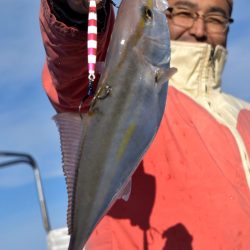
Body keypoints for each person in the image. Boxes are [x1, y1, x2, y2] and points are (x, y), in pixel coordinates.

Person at [40, 0, 250, 249]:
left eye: (216, 18)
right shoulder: (122, 73)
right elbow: (75, 73)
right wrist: (71, 10)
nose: (199, 29)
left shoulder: (245, 113)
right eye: (184, 12)